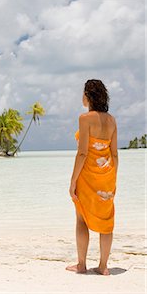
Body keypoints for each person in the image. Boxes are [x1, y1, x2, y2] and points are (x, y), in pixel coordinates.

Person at [66, 79, 118, 276]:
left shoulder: (85, 118)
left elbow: (82, 153)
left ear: (88, 96)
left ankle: (81, 265)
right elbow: (114, 154)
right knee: (107, 220)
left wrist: (72, 182)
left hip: (87, 175)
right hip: (107, 175)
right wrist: (114, 178)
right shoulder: (112, 120)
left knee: (81, 218)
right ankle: (104, 266)